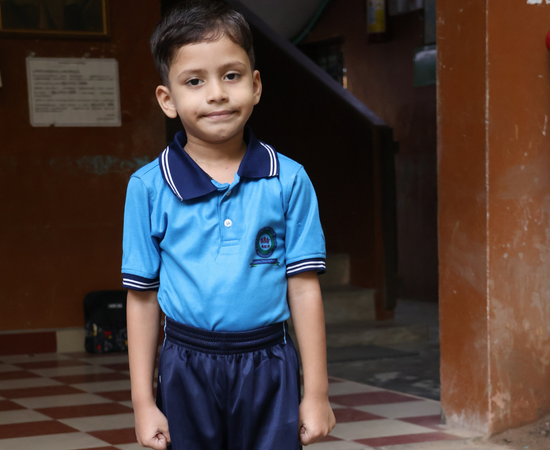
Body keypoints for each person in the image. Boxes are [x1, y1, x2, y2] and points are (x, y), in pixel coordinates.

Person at [122, 1, 336, 449]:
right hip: (185, 365)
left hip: (270, 362)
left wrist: (316, 394)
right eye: (194, 81)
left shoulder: (288, 180)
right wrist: (143, 402)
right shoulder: (148, 187)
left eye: (231, 75)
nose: (216, 93)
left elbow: (303, 288)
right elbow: (142, 298)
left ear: (255, 86)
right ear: (167, 99)